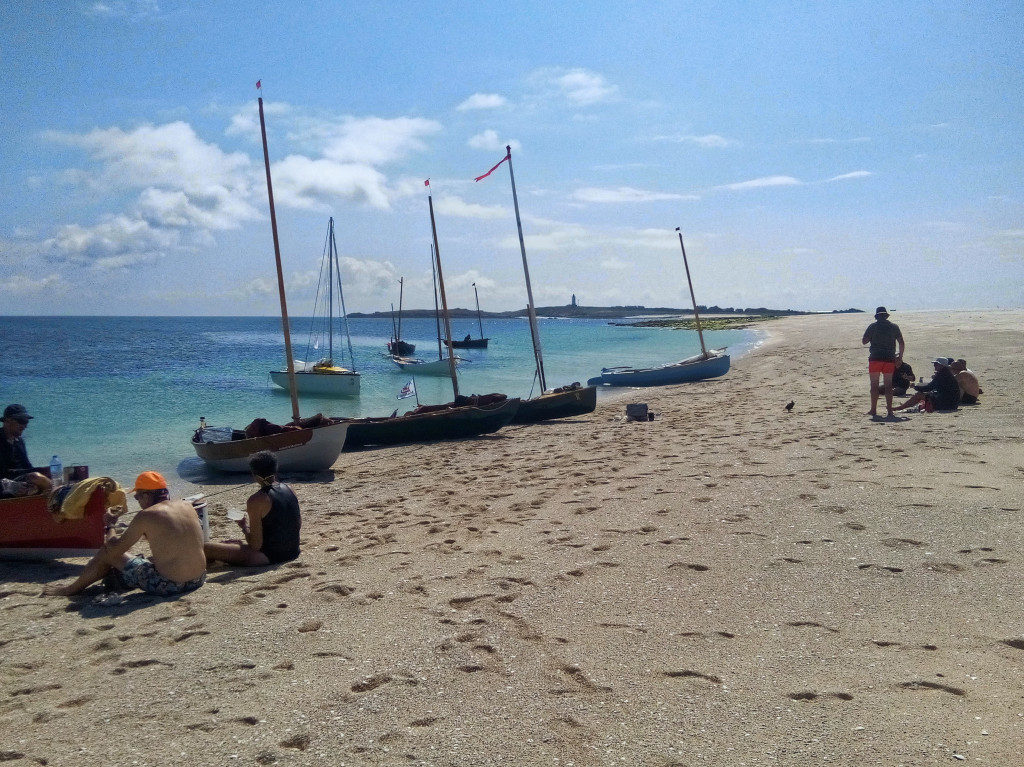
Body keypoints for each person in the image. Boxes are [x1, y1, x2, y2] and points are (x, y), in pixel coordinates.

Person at [44, 471, 206, 597]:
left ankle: (70, 589)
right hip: (198, 579)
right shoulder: (186, 505)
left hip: (171, 584)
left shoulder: (146, 515)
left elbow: (113, 550)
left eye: (137, 496)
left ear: (147, 495)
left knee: (106, 553)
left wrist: (110, 526)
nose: (137, 501)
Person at [204, 451, 301, 567]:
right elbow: (297, 524)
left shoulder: (256, 500)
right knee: (232, 546)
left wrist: (244, 527)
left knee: (205, 548)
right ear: (275, 469)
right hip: (293, 551)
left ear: (254, 474)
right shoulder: (290, 488)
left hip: (268, 557)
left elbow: (255, 545)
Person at [861, 307, 905, 418]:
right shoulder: (894, 327)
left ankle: (873, 409)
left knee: (874, 385)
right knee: (888, 385)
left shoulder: (873, 326)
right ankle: (889, 411)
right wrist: (900, 357)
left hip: (875, 358)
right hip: (889, 358)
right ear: (886, 316)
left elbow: (864, 341)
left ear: (877, 316)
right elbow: (901, 342)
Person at [893, 358, 962, 413]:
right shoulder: (946, 373)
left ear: (942, 365)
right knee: (926, 395)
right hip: (952, 403)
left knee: (919, 395)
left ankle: (900, 408)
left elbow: (928, 387)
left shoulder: (942, 374)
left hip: (947, 404)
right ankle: (904, 406)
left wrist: (915, 387)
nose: (934, 366)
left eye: (936, 364)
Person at [1, 404, 38, 481]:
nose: (25, 426)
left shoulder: (19, 442)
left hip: (22, 481)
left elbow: (27, 465)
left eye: (26, 422)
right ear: (7, 421)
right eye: (22, 421)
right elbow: (2, 471)